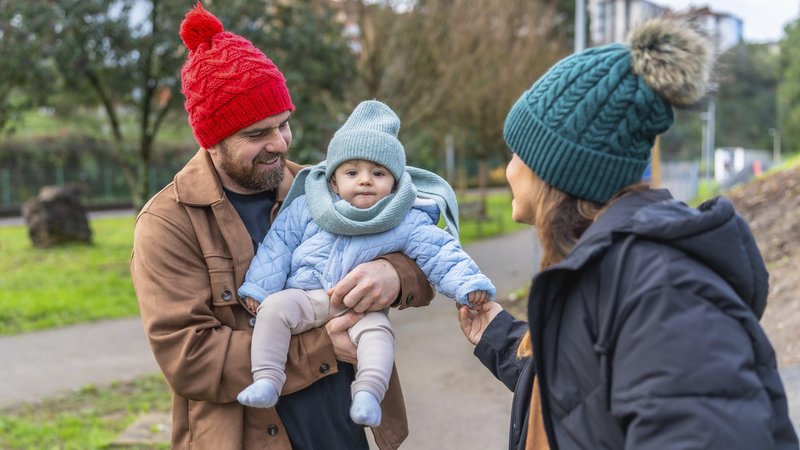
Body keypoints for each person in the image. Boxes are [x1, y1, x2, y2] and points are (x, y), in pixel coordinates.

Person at [458, 18, 799, 450]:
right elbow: (583, 395)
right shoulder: (608, 272)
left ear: (556, 170)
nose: (509, 168)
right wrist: (496, 335)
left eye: (516, 152)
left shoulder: (662, 293)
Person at [129, 5, 436, 450]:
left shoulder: (321, 187)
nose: (280, 143)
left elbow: (426, 245)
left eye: (283, 124)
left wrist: (394, 273)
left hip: (343, 433)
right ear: (212, 140)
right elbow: (190, 359)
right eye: (257, 134)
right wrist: (321, 347)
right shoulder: (168, 224)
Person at [234, 100, 495, 427]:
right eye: (352, 172)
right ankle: (267, 379)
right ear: (333, 181)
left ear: (395, 183)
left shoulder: (405, 219)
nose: (365, 180)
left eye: (378, 173)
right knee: (273, 310)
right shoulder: (307, 208)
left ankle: (368, 394)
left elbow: (440, 251)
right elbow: (278, 246)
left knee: (378, 335)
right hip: (306, 296)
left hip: (359, 309)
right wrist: (260, 288)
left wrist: (468, 284)